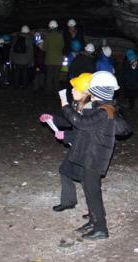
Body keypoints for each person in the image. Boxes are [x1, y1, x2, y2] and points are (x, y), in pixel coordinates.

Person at [57, 71, 122, 240]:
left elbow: (81, 123)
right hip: (90, 156)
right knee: (89, 190)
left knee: (93, 192)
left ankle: (101, 228)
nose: (90, 93)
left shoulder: (104, 111)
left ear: (98, 92)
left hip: (94, 158)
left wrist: (65, 105)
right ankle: (94, 221)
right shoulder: (101, 108)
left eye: (92, 90)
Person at [39, 73, 94, 213]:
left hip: (89, 149)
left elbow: (86, 134)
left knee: (86, 178)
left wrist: (66, 135)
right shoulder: (80, 104)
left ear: (86, 92)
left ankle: (95, 211)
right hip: (79, 146)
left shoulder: (91, 109)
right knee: (65, 171)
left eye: (76, 88)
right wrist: (53, 119)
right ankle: (68, 201)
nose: (72, 90)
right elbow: (71, 121)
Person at [43, 20, 64, 94]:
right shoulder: (60, 35)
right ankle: (56, 92)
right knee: (56, 77)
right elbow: (62, 46)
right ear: (56, 27)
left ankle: (48, 91)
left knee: (49, 76)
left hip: (49, 59)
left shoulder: (47, 36)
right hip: (58, 60)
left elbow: (44, 48)